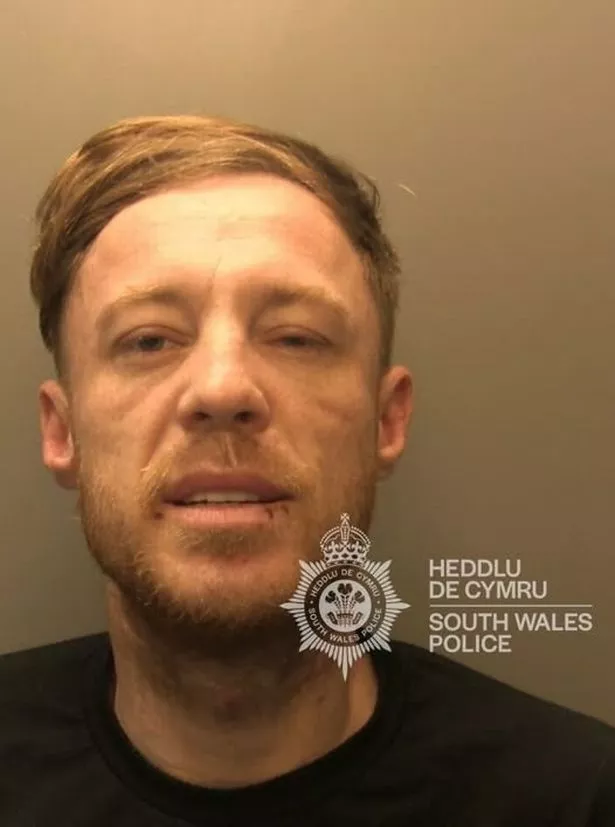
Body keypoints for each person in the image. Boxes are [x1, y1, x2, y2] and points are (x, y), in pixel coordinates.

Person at [1, 114, 614, 827]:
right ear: (63, 431)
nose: (223, 388)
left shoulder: (577, 798)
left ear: (386, 421)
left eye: (295, 337)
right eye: (148, 340)